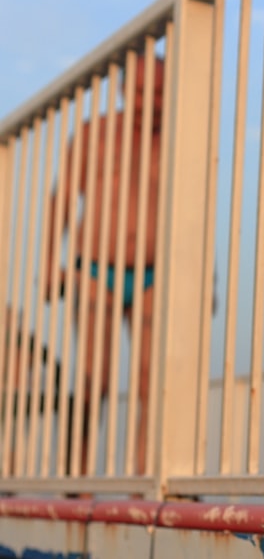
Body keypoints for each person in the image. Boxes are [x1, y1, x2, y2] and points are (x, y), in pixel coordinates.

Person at [44, 54, 163, 478]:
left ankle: (145, 477)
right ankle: (76, 474)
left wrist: (207, 282)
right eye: (146, 93)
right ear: (126, 90)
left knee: (152, 378)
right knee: (97, 377)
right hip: (95, 269)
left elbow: (193, 210)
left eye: (162, 94)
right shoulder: (96, 134)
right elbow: (61, 199)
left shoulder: (174, 138)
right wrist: (48, 264)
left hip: (152, 273)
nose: (154, 104)